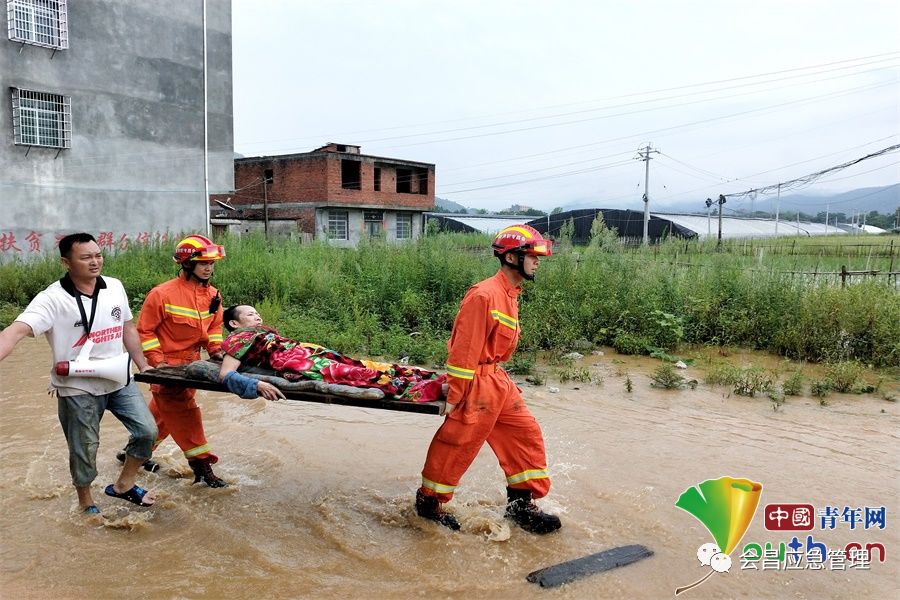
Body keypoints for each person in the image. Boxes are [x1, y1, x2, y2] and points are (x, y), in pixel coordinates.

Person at [415, 224, 562, 534]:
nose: (537, 262)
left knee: (526, 434)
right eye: (532, 256)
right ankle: (429, 504)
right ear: (511, 258)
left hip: (497, 380)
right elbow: (463, 350)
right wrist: (455, 395)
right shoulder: (483, 296)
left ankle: (520, 506)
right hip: (477, 383)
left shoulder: (509, 294)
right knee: (458, 443)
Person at [0, 233, 158, 513]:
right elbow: (16, 331)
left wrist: (142, 364)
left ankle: (123, 485)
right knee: (84, 448)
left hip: (118, 377)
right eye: (86, 257)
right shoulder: (51, 299)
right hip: (76, 386)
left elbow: (127, 329)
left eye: (98, 255)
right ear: (66, 262)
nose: (95, 262)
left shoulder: (115, 287)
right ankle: (86, 501)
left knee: (147, 431)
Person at [133, 234, 228, 488]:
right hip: (167, 369)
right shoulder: (162, 294)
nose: (209, 268)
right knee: (185, 415)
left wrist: (216, 350)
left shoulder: (213, 295)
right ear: (187, 264)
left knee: (163, 416)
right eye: (203, 263)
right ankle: (203, 468)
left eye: (212, 263)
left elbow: (216, 326)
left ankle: (135, 454)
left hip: (193, 365)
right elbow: (145, 331)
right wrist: (157, 361)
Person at [217, 305, 445, 403]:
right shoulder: (238, 339)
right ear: (234, 323)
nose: (257, 317)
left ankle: (435, 378)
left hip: (312, 353)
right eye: (250, 314)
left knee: (373, 366)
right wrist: (256, 385)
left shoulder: (262, 333)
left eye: (257, 313)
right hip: (304, 366)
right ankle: (437, 389)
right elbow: (225, 375)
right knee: (362, 375)